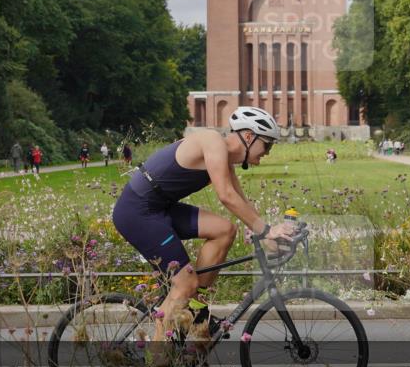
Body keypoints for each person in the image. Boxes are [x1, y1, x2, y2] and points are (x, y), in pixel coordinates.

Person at [112, 106, 296, 342]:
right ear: (249, 136)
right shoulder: (212, 142)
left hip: (159, 207)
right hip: (138, 211)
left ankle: (195, 309)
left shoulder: (223, 157)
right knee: (185, 283)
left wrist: (264, 232)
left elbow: (241, 201)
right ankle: (157, 362)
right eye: (267, 144)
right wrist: (267, 231)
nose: (268, 152)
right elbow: (226, 195)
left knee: (225, 230)